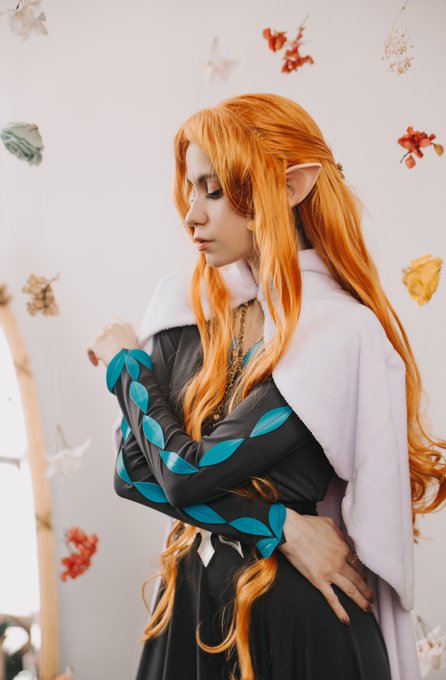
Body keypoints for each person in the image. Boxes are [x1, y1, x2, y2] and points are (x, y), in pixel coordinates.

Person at [87, 93, 445, 680]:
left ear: (292, 187)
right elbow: (132, 474)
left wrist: (126, 368)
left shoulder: (337, 332)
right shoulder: (186, 310)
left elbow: (180, 474)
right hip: (188, 612)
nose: (192, 215)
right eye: (191, 188)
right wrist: (282, 527)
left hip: (297, 626)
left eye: (214, 190)